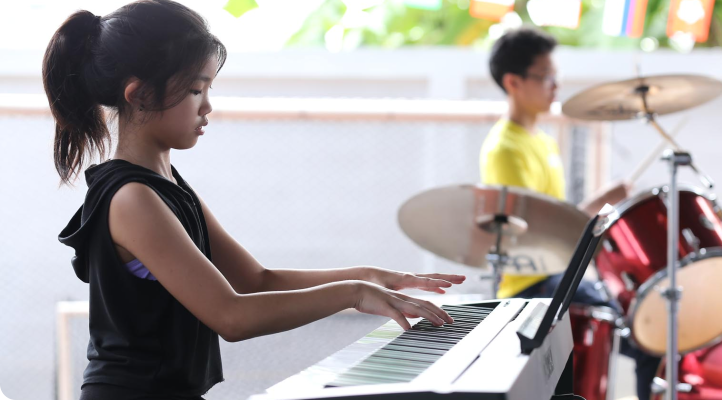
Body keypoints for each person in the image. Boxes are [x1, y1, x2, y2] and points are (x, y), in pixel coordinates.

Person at [45, 2, 464, 399]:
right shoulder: (131, 198)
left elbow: (256, 280)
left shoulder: (166, 184)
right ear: (139, 95)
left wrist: (371, 276)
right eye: (195, 89)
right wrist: (352, 293)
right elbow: (231, 316)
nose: (207, 106)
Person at [479, 27, 660, 400]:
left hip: (556, 274)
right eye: (546, 77)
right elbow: (536, 235)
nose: (555, 85)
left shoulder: (542, 141)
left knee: (651, 319)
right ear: (513, 81)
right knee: (648, 332)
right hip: (529, 285)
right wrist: (599, 201)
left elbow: (556, 222)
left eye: (555, 76)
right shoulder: (504, 148)